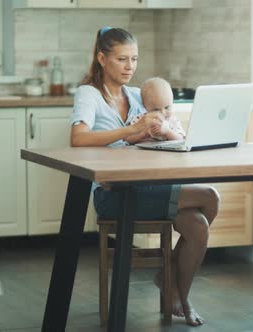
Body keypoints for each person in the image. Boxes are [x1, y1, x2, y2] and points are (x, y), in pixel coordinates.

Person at [69, 26, 219, 326]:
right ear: (101, 58)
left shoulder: (138, 95)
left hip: (148, 186)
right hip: (112, 193)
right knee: (208, 196)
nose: (130, 67)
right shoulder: (89, 94)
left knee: (199, 226)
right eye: (122, 59)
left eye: (134, 59)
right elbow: (78, 138)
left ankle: (175, 288)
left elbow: (172, 130)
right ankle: (172, 286)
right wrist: (131, 131)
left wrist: (165, 128)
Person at [134, 76, 185, 142]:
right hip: (144, 151)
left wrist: (167, 132)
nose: (163, 113)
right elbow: (127, 140)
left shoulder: (172, 120)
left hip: (167, 151)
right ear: (144, 106)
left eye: (167, 107)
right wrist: (144, 134)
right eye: (156, 110)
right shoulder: (140, 120)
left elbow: (181, 139)